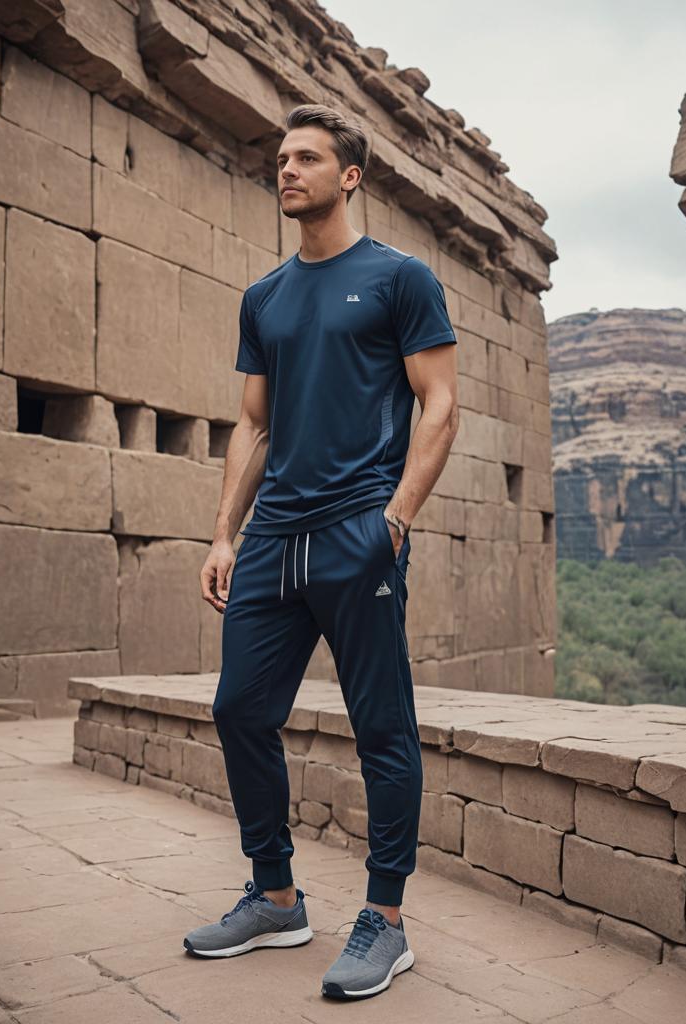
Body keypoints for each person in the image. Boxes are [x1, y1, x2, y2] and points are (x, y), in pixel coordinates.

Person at [185, 102, 459, 1000]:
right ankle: (275, 896)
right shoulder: (263, 297)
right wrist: (226, 533)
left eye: (307, 157)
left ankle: (385, 918)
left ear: (350, 175)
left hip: (358, 535)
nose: (286, 169)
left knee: (381, 728)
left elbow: (441, 404)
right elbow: (254, 424)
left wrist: (394, 522)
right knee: (239, 710)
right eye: (280, 157)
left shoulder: (398, 279)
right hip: (273, 543)